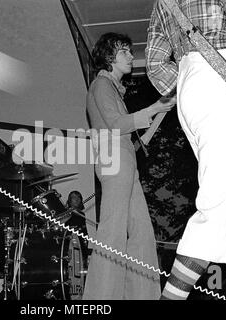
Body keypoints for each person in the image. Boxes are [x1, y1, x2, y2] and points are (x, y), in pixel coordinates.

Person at [145, 0, 226, 300]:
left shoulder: (162, 2)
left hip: (193, 87)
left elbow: (154, 63)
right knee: (220, 206)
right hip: (222, 80)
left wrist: (190, 77)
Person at [83, 32, 176, 300]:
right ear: (108, 57)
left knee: (140, 232)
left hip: (123, 161)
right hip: (116, 163)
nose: (130, 56)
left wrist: (159, 111)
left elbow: (128, 136)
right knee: (113, 232)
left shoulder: (110, 87)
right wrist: (152, 108)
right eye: (123, 51)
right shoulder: (101, 85)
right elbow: (115, 125)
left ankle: (141, 295)